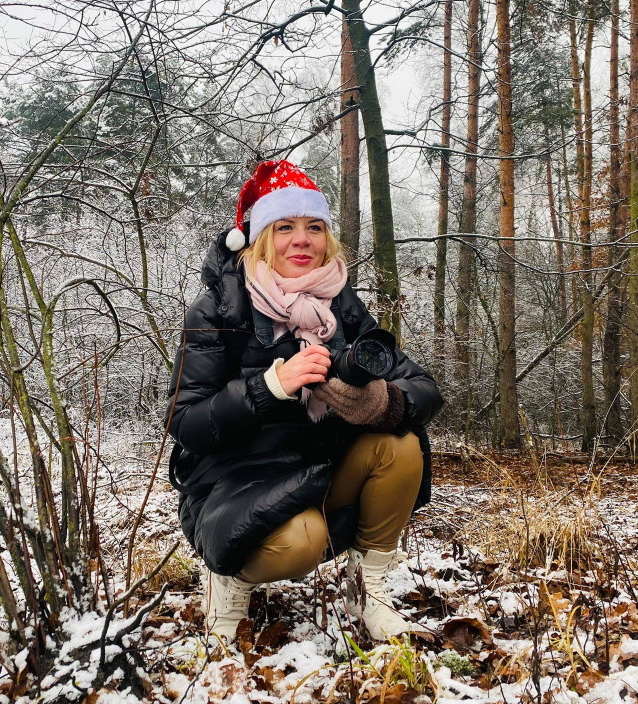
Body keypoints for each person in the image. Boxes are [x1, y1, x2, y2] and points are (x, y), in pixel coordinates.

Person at [166, 159, 444, 643]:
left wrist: (380, 403)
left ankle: (367, 589)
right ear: (258, 239)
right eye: (285, 227)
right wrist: (271, 386)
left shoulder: (342, 307)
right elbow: (186, 421)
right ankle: (229, 581)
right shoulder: (216, 311)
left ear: (327, 239)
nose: (302, 240)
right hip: (233, 485)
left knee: (401, 446)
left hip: (317, 470)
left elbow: (423, 388)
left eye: (314, 227)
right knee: (302, 540)